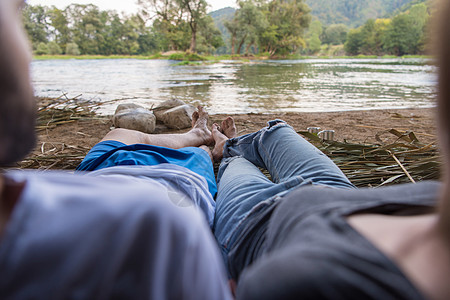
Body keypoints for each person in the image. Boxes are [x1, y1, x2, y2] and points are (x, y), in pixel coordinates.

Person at [211, 6, 450, 300]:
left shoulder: (302, 283)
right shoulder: (436, 196)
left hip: (256, 225)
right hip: (335, 192)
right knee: (276, 132)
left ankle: (227, 149)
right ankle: (234, 144)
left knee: (237, 165)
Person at [0, 1, 232, 299]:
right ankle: (211, 149)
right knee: (199, 157)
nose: (29, 54)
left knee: (118, 132)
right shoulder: (157, 229)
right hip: (173, 184)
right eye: (14, 14)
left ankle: (193, 134)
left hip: (100, 171)